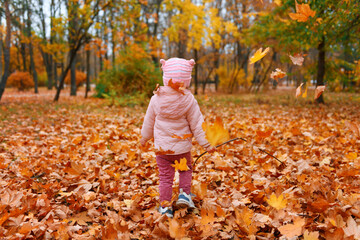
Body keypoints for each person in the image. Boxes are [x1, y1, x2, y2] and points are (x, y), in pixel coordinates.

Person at [140, 58, 215, 218]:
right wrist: (207, 144)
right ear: (186, 80)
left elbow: (149, 120)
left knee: (165, 177)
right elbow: (197, 123)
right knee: (185, 169)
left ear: (166, 77)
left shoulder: (156, 98)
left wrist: (144, 138)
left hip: (162, 149)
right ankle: (183, 195)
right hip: (181, 148)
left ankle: (165, 208)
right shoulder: (188, 99)